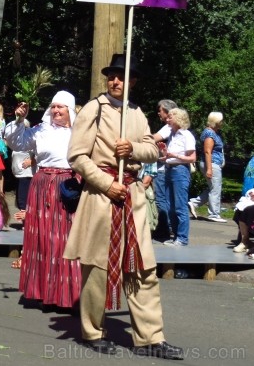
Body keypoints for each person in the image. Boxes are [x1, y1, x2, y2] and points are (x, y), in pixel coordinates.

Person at [64, 54, 183, 359]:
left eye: (122, 76)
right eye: (112, 76)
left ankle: (150, 338)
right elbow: (77, 156)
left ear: (132, 81)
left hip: (132, 198)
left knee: (142, 267)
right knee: (97, 268)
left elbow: (153, 150)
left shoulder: (137, 112)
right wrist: (105, 184)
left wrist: (133, 149)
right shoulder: (95, 108)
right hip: (101, 196)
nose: (116, 81)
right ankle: (92, 332)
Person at [5, 90, 81, 310]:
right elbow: (16, 143)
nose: (56, 110)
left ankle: (69, 295)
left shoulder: (79, 133)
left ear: (70, 110)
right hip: (42, 185)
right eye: (54, 106)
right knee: (43, 238)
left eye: (61, 107)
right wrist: (20, 119)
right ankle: (43, 292)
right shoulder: (41, 129)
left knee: (65, 239)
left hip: (68, 185)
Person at [163, 108, 196, 246]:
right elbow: (169, 155)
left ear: (178, 118)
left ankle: (182, 238)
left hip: (180, 170)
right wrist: (164, 153)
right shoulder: (172, 134)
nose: (167, 119)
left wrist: (174, 155)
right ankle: (176, 235)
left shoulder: (186, 135)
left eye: (170, 117)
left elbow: (192, 158)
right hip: (170, 169)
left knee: (180, 206)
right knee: (170, 206)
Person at [189, 112, 227, 222]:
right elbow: (207, 151)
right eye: (221, 121)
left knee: (213, 187)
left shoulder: (213, 133)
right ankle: (214, 214)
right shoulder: (209, 134)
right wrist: (209, 168)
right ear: (216, 121)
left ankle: (193, 203)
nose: (222, 123)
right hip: (211, 163)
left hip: (213, 163)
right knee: (215, 189)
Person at [151, 99, 178, 241]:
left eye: (160, 110)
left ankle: (164, 231)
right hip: (164, 167)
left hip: (162, 168)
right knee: (165, 200)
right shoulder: (171, 127)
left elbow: (153, 138)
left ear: (167, 112)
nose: (158, 113)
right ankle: (166, 229)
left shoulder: (168, 128)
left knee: (161, 200)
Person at [5, 112, 35, 211]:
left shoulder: (31, 138)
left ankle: (25, 221)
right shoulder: (18, 139)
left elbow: (40, 152)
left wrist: (32, 160)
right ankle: (24, 218)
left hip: (27, 173)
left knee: (23, 198)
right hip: (18, 174)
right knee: (20, 198)